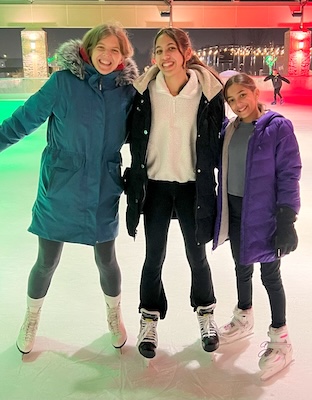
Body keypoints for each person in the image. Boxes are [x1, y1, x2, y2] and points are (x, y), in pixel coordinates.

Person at [0, 23, 139, 354]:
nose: (107, 56)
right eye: (101, 48)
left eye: (115, 50)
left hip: (103, 187)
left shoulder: (128, 92)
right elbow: (22, 120)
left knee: (107, 260)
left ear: (123, 56)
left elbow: (147, 134)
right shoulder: (62, 82)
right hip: (60, 185)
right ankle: (31, 319)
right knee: (46, 261)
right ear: (88, 49)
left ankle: (113, 315)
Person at [124, 27, 225, 359]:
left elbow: (220, 140)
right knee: (154, 257)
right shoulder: (144, 92)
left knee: (197, 257)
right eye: (158, 50)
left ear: (185, 53)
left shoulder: (207, 94)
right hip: (153, 186)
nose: (164, 56)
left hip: (191, 187)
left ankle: (206, 313)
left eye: (171, 49)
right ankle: (149, 319)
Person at [213, 73, 301, 380]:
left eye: (242, 95)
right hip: (235, 210)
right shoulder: (230, 128)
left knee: (271, 275)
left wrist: (286, 218)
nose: (238, 104)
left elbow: (289, 173)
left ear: (254, 91)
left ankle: (281, 339)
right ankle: (243, 315)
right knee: (241, 266)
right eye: (231, 100)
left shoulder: (277, 127)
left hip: (264, 213)